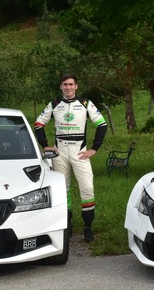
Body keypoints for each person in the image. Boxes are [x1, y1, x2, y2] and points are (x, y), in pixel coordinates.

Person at [34, 73, 108, 243]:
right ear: (60, 87)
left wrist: (94, 149)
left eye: (71, 84)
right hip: (59, 152)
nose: (68, 87)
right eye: (65, 85)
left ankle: (88, 228)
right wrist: (45, 145)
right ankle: (67, 227)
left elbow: (102, 125)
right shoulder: (54, 104)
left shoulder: (85, 103)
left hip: (80, 152)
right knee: (63, 190)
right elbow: (39, 124)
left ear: (76, 86)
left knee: (87, 187)